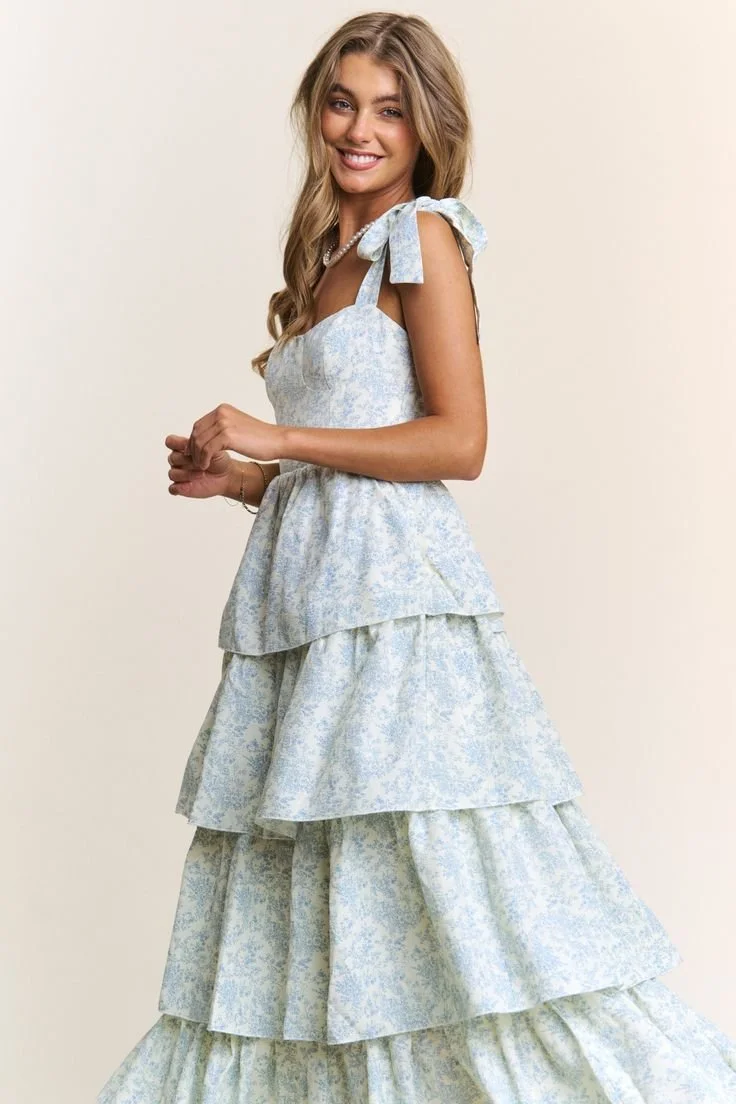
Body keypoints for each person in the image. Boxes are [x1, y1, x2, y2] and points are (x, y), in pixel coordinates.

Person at [97, 13, 736, 1103]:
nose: (361, 129)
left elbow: (458, 442)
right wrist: (246, 481)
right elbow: (348, 468)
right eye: (343, 102)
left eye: (390, 110)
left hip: (398, 618)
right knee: (329, 897)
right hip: (312, 614)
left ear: (426, 129)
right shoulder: (324, 262)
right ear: (315, 112)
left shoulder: (422, 237)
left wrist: (277, 435)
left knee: (449, 877)